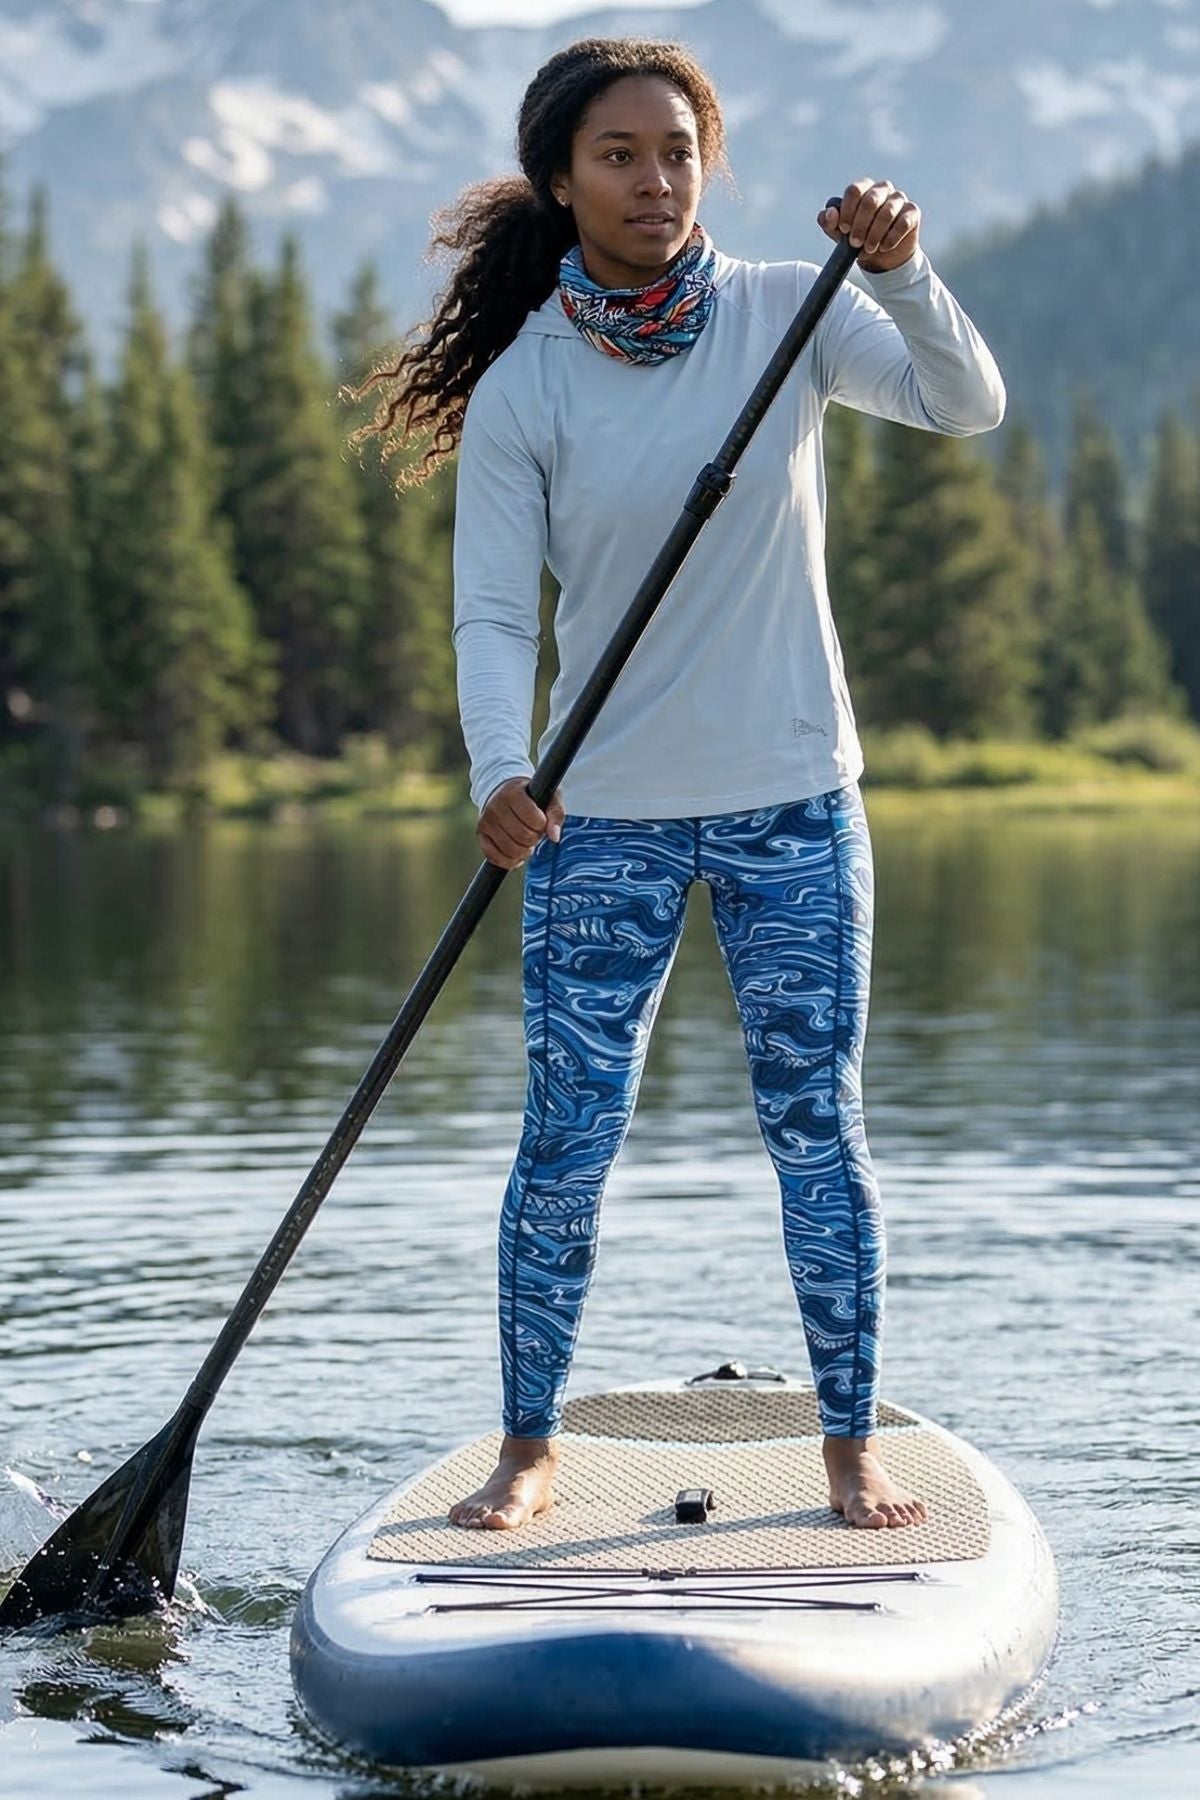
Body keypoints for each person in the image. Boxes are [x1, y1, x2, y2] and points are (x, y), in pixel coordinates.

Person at [356, 37, 1004, 1532]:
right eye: (619, 155)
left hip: (795, 805)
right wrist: (503, 770)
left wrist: (905, 270)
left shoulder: (795, 312)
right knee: (564, 1139)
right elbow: (495, 613)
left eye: (677, 152)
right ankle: (529, 1446)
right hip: (599, 827)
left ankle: (850, 1447)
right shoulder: (531, 386)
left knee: (815, 1130)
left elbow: (966, 404)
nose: (655, 180)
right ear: (562, 179)